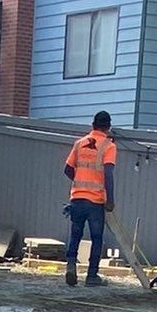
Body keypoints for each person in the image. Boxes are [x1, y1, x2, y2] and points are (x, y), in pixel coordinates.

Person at [62, 109, 117, 288]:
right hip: (95, 201)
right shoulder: (109, 146)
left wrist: (80, 182)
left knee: (75, 234)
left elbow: (67, 169)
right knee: (96, 238)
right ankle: (92, 276)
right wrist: (110, 200)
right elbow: (108, 174)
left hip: (77, 198)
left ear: (92, 125)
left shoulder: (79, 144)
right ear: (108, 128)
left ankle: (71, 265)